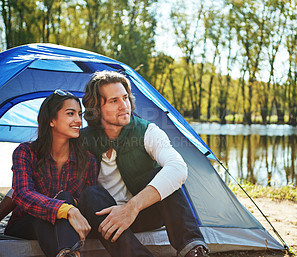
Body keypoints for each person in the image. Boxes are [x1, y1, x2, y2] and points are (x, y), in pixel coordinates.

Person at [78, 70, 209, 257]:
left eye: (125, 98)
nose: (124, 106)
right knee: (91, 194)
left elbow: (178, 168)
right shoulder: (82, 139)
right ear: (96, 108)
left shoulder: (147, 131)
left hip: (143, 214)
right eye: (114, 101)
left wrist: (132, 207)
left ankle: (193, 250)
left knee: (163, 176)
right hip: (104, 221)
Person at [4, 90, 98, 257]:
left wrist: (70, 208)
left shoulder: (88, 160)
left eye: (79, 114)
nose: (78, 120)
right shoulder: (26, 152)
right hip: (27, 222)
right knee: (47, 214)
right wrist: (66, 210)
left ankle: (67, 253)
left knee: (66, 197)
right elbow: (22, 194)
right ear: (51, 120)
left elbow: (87, 201)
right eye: (70, 113)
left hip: (67, 228)